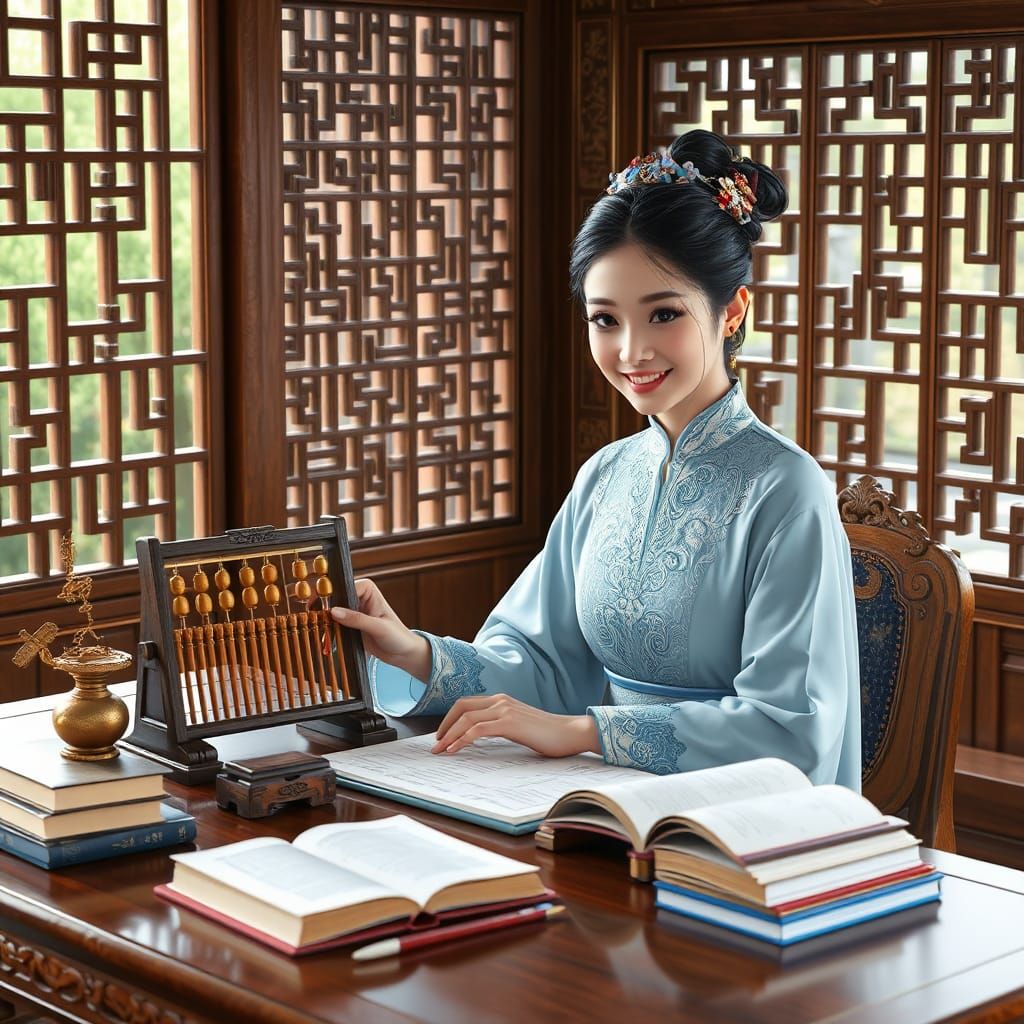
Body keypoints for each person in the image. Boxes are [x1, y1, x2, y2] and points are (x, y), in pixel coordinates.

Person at [330, 128, 861, 788]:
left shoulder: (785, 488)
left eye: (663, 314)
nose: (632, 351)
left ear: (731, 313)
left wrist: (586, 732)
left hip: (735, 818)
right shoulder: (607, 475)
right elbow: (546, 665)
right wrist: (411, 651)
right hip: (601, 801)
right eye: (606, 319)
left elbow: (792, 728)